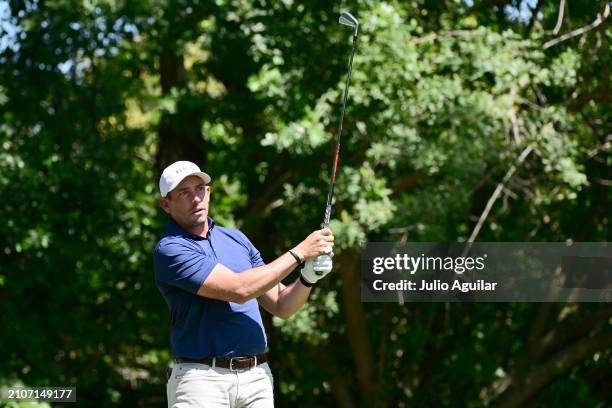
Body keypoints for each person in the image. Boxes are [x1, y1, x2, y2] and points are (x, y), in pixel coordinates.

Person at [154, 161, 334, 408]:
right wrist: (300, 252)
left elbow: (282, 305)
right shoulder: (171, 248)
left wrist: (308, 277)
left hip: (256, 378)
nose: (195, 198)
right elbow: (239, 290)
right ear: (166, 204)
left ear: (209, 192)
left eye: (199, 189)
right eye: (183, 193)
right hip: (201, 381)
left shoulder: (236, 239)